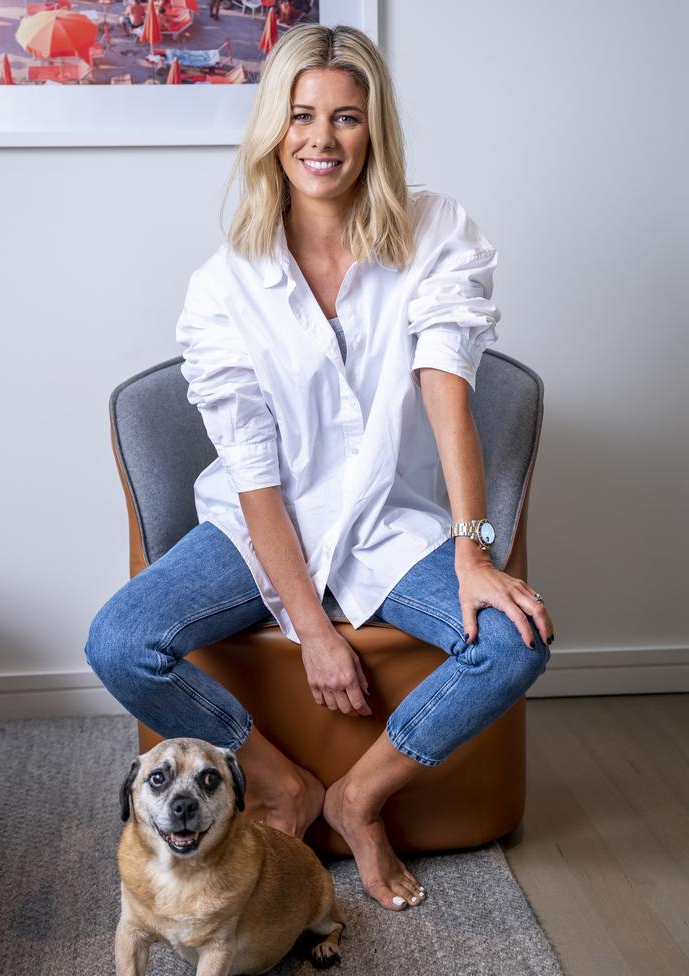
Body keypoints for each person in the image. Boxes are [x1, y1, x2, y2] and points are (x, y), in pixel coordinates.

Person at [84, 25, 554, 914]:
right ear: (274, 128)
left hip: (390, 524)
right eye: (302, 116)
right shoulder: (224, 286)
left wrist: (471, 553)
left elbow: (448, 397)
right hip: (257, 531)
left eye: (346, 117)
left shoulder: (437, 231)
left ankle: (360, 797)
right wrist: (314, 629)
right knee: (117, 641)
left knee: (515, 640)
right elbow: (256, 476)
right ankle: (279, 781)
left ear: (374, 129)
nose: (322, 139)